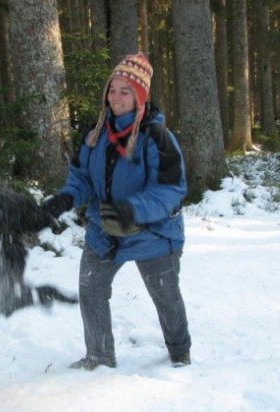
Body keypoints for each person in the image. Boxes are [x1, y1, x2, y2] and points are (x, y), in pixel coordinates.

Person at [43, 53, 191, 370]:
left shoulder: (158, 138)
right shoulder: (97, 134)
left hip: (153, 233)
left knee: (164, 295)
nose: (116, 97)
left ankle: (180, 352)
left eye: (125, 91)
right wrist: (65, 200)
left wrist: (132, 210)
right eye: (113, 89)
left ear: (140, 96)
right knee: (91, 288)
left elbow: (170, 190)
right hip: (104, 230)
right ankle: (99, 356)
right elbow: (81, 178)